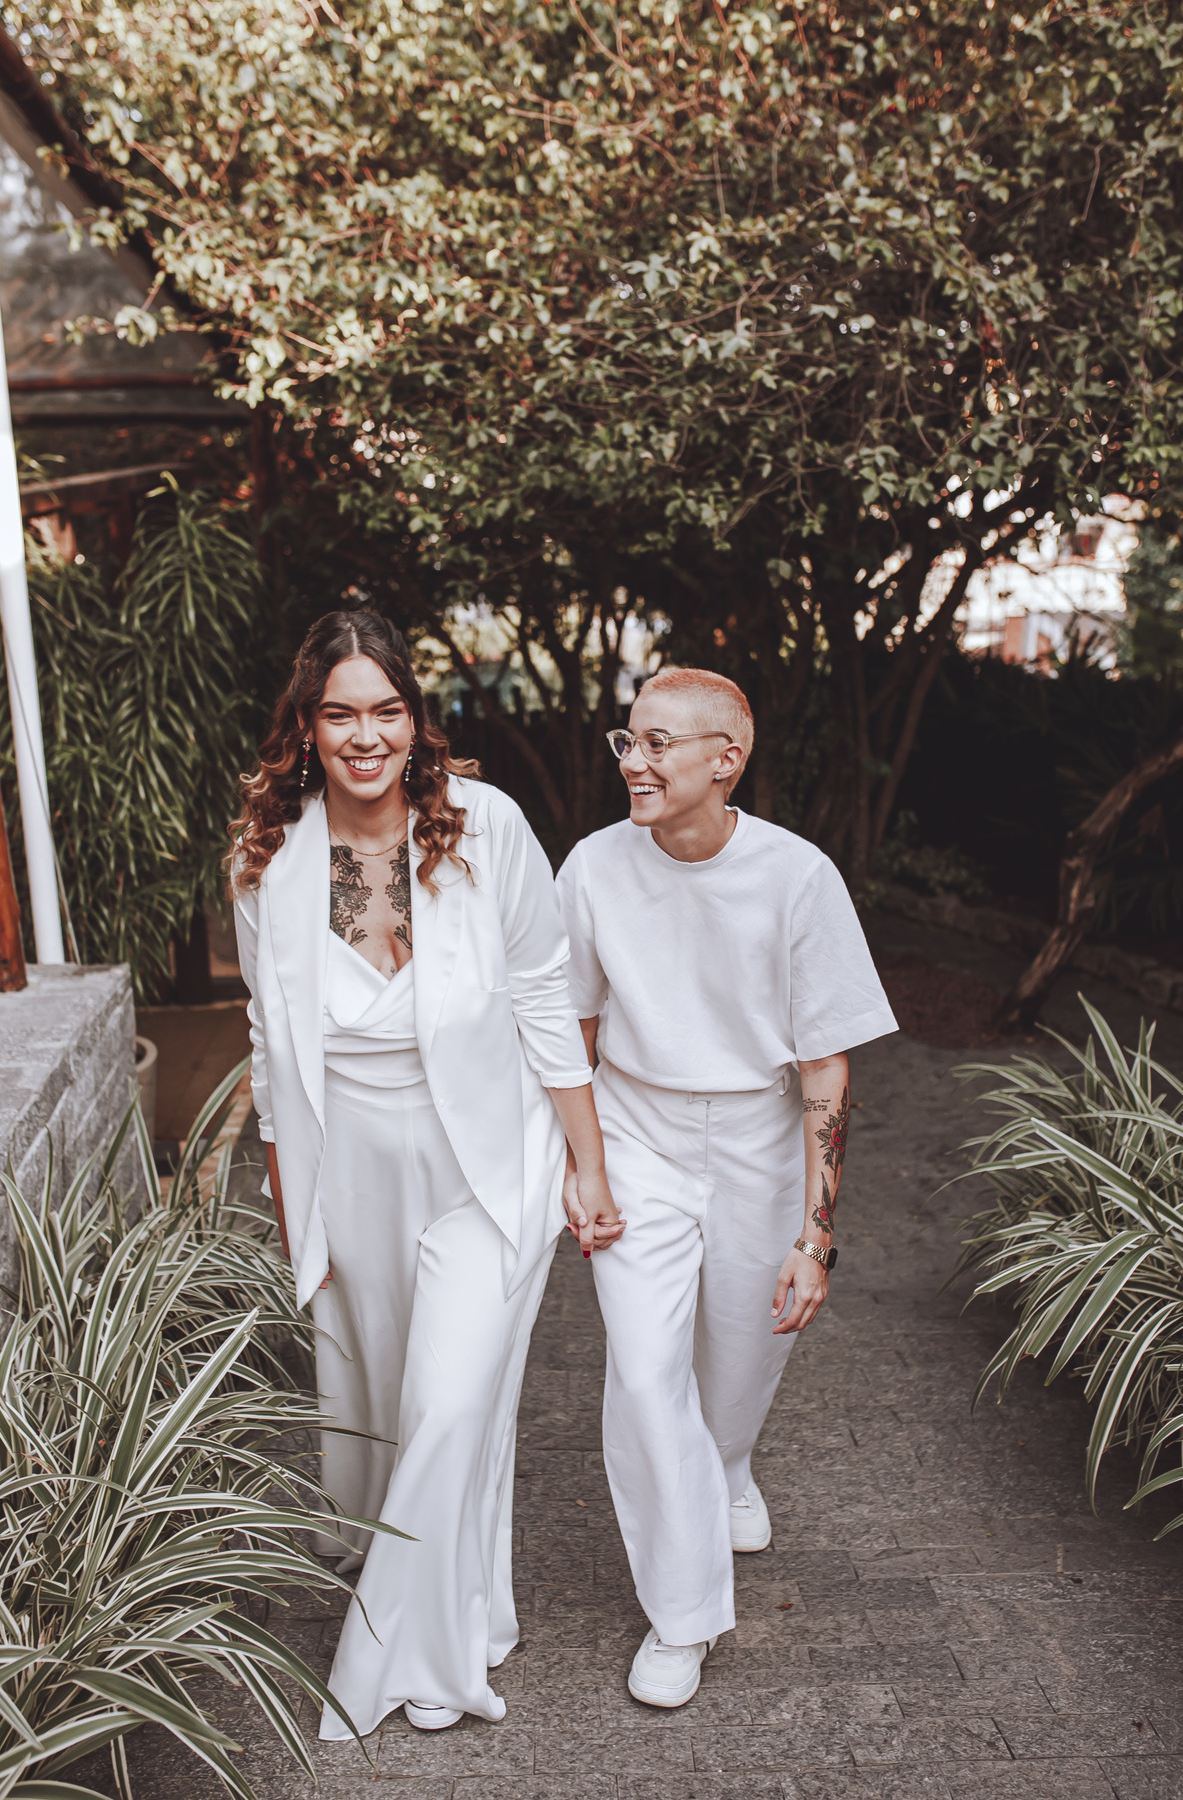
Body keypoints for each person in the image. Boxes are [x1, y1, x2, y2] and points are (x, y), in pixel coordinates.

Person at [229, 610, 621, 1738]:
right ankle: (470, 1607)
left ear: (415, 718)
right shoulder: (269, 859)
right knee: (398, 1405)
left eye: (386, 711)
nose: (366, 736)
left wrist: (588, 1164)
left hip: (486, 1163)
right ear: (307, 729)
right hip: (351, 1173)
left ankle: (405, 1658)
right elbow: (268, 1047)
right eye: (340, 714)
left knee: (452, 1402)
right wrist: (296, 1222)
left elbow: (544, 997)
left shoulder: (483, 826)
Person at [556, 666, 897, 1710]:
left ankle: (731, 1462)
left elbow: (826, 1065)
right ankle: (684, 1614)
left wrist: (817, 1235)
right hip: (638, 1133)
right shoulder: (593, 866)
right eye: (629, 739)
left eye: (660, 743)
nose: (635, 761)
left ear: (726, 760)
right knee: (645, 1373)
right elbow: (572, 1028)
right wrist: (582, 1164)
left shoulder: (799, 877)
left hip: (758, 1133)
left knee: (743, 1357)